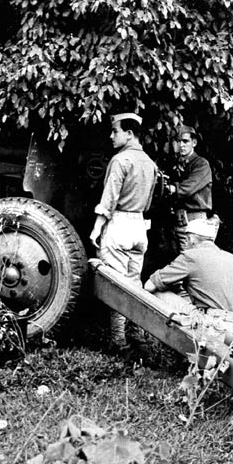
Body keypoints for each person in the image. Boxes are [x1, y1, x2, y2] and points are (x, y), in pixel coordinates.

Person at [90, 111, 158, 349]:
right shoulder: (150, 164)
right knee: (134, 285)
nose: (111, 136)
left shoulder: (120, 160)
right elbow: (149, 202)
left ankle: (118, 342)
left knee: (116, 288)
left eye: (115, 131)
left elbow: (109, 200)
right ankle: (138, 337)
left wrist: (97, 228)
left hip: (119, 226)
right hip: (139, 227)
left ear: (129, 134)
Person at [143, 216, 233, 345]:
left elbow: (148, 286)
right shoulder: (232, 258)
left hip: (220, 330)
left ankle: (158, 345)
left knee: (159, 294)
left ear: (192, 239)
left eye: (187, 239)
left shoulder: (191, 256)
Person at [166, 125, 213, 252]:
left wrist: (171, 188)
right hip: (177, 223)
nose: (181, 145)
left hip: (195, 224)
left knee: (192, 264)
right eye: (178, 141)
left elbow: (188, 188)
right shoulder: (176, 165)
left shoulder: (201, 164)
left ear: (194, 143)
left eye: (185, 141)